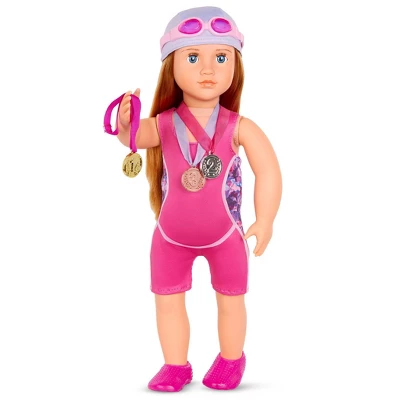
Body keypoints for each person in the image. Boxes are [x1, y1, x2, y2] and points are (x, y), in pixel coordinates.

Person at [114, 6, 282, 392]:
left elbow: (269, 171)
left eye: (221, 58)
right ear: (170, 66)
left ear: (235, 65)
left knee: (231, 301)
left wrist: (266, 218)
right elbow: (133, 139)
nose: (208, 70)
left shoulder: (238, 127)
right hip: (170, 237)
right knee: (167, 302)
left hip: (226, 236)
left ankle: (231, 359)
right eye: (193, 58)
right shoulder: (164, 124)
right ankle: (175, 365)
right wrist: (124, 124)